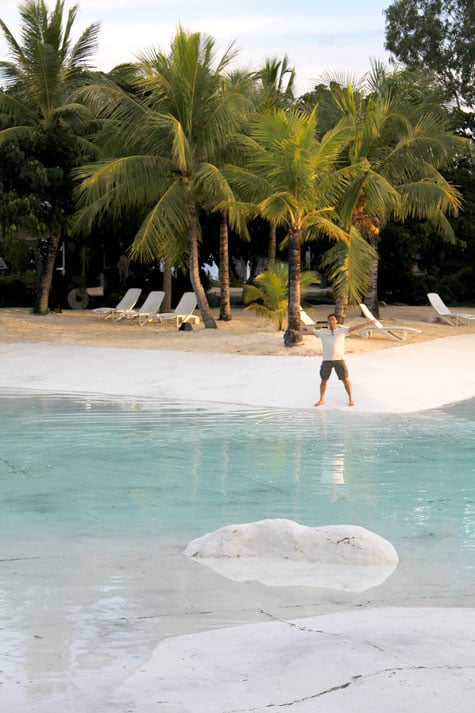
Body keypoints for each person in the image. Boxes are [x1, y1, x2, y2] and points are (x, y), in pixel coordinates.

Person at [304, 313, 374, 407]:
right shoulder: (323, 332)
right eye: (329, 320)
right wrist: (297, 333)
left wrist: (366, 323)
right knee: (324, 380)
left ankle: (350, 399)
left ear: (336, 321)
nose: (331, 321)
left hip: (339, 359)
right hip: (327, 360)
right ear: (328, 321)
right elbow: (311, 333)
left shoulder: (342, 330)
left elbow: (354, 328)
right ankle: (321, 400)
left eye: (333, 319)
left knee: (345, 379)